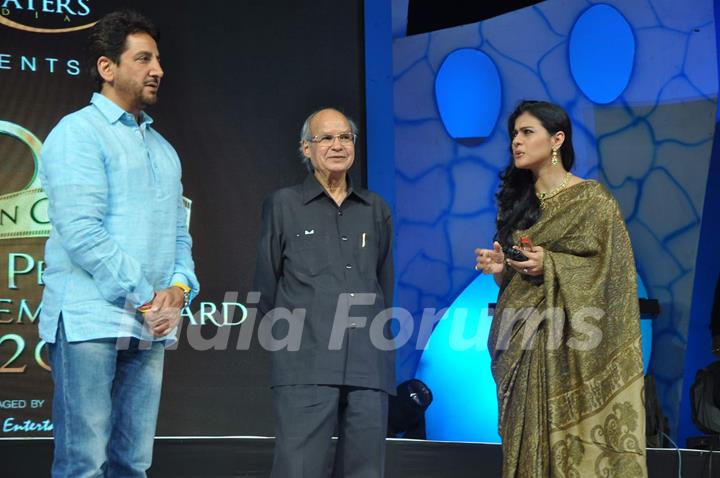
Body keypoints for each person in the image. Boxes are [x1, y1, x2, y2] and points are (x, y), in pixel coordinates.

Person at [39, 10, 199, 477]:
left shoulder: (164, 150)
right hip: (90, 319)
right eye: (143, 58)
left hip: (148, 324)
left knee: (134, 462)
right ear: (107, 68)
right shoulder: (78, 133)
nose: (158, 70)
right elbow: (83, 232)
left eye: (159, 60)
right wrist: (149, 297)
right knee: (83, 462)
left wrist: (179, 289)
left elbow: (178, 234)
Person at [474, 100, 647, 477]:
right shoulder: (517, 205)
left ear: (557, 139)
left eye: (526, 132)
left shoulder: (592, 201)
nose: (516, 142)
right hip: (523, 342)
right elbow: (514, 284)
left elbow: (611, 273)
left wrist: (549, 263)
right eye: (513, 135)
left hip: (572, 343)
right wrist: (503, 270)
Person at [254, 108, 394, 478]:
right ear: (306, 148)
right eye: (326, 138)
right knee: (298, 470)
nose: (337, 145)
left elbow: (383, 285)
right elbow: (266, 288)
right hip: (306, 363)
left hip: (368, 366)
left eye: (345, 137)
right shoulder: (283, 204)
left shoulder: (375, 209)